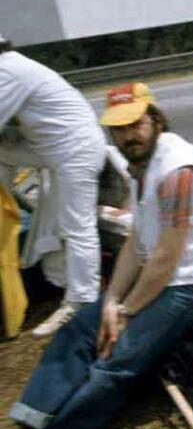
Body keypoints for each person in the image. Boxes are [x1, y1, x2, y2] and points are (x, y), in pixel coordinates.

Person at [3, 82, 193, 429]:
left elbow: (165, 258)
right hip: (164, 274)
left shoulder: (178, 171)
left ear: (154, 119)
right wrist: (112, 301)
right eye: (118, 129)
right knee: (78, 331)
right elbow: (138, 242)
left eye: (134, 125)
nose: (127, 136)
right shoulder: (141, 165)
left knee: (116, 363)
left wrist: (125, 312)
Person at [0, 33, 106, 336]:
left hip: (76, 152)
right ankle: (6, 219)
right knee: (2, 153)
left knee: (77, 226)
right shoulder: (11, 67)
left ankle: (82, 302)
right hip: (52, 149)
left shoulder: (7, 71)